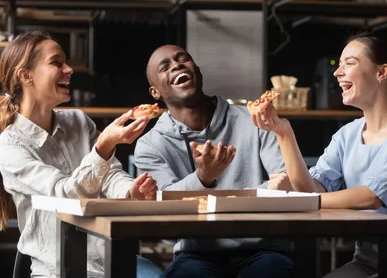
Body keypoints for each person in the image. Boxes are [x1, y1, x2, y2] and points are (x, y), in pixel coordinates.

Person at [251, 33, 387, 277]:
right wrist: (283, 132)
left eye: (350, 63)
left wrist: (299, 202)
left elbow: (372, 196)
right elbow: (310, 190)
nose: (337, 72)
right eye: (340, 64)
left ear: (381, 72)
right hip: (366, 260)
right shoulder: (347, 134)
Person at [0, 31, 165, 278]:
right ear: (26, 76)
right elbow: (66, 197)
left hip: (112, 256)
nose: (69, 69)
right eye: (56, 63)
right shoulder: (9, 146)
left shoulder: (77, 120)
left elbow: (109, 176)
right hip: (57, 269)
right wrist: (104, 146)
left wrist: (131, 191)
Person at [134, 45, 294, 278]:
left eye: (182, 59)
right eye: (165, 67)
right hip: (196, 253)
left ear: (198, 72)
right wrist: (202, 178)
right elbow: (165, 213)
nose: (177, 65)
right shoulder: (150, 145)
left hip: (262, 249)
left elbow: (284, 185)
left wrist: (201, 197)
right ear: (155, 92)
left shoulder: (255, 120)